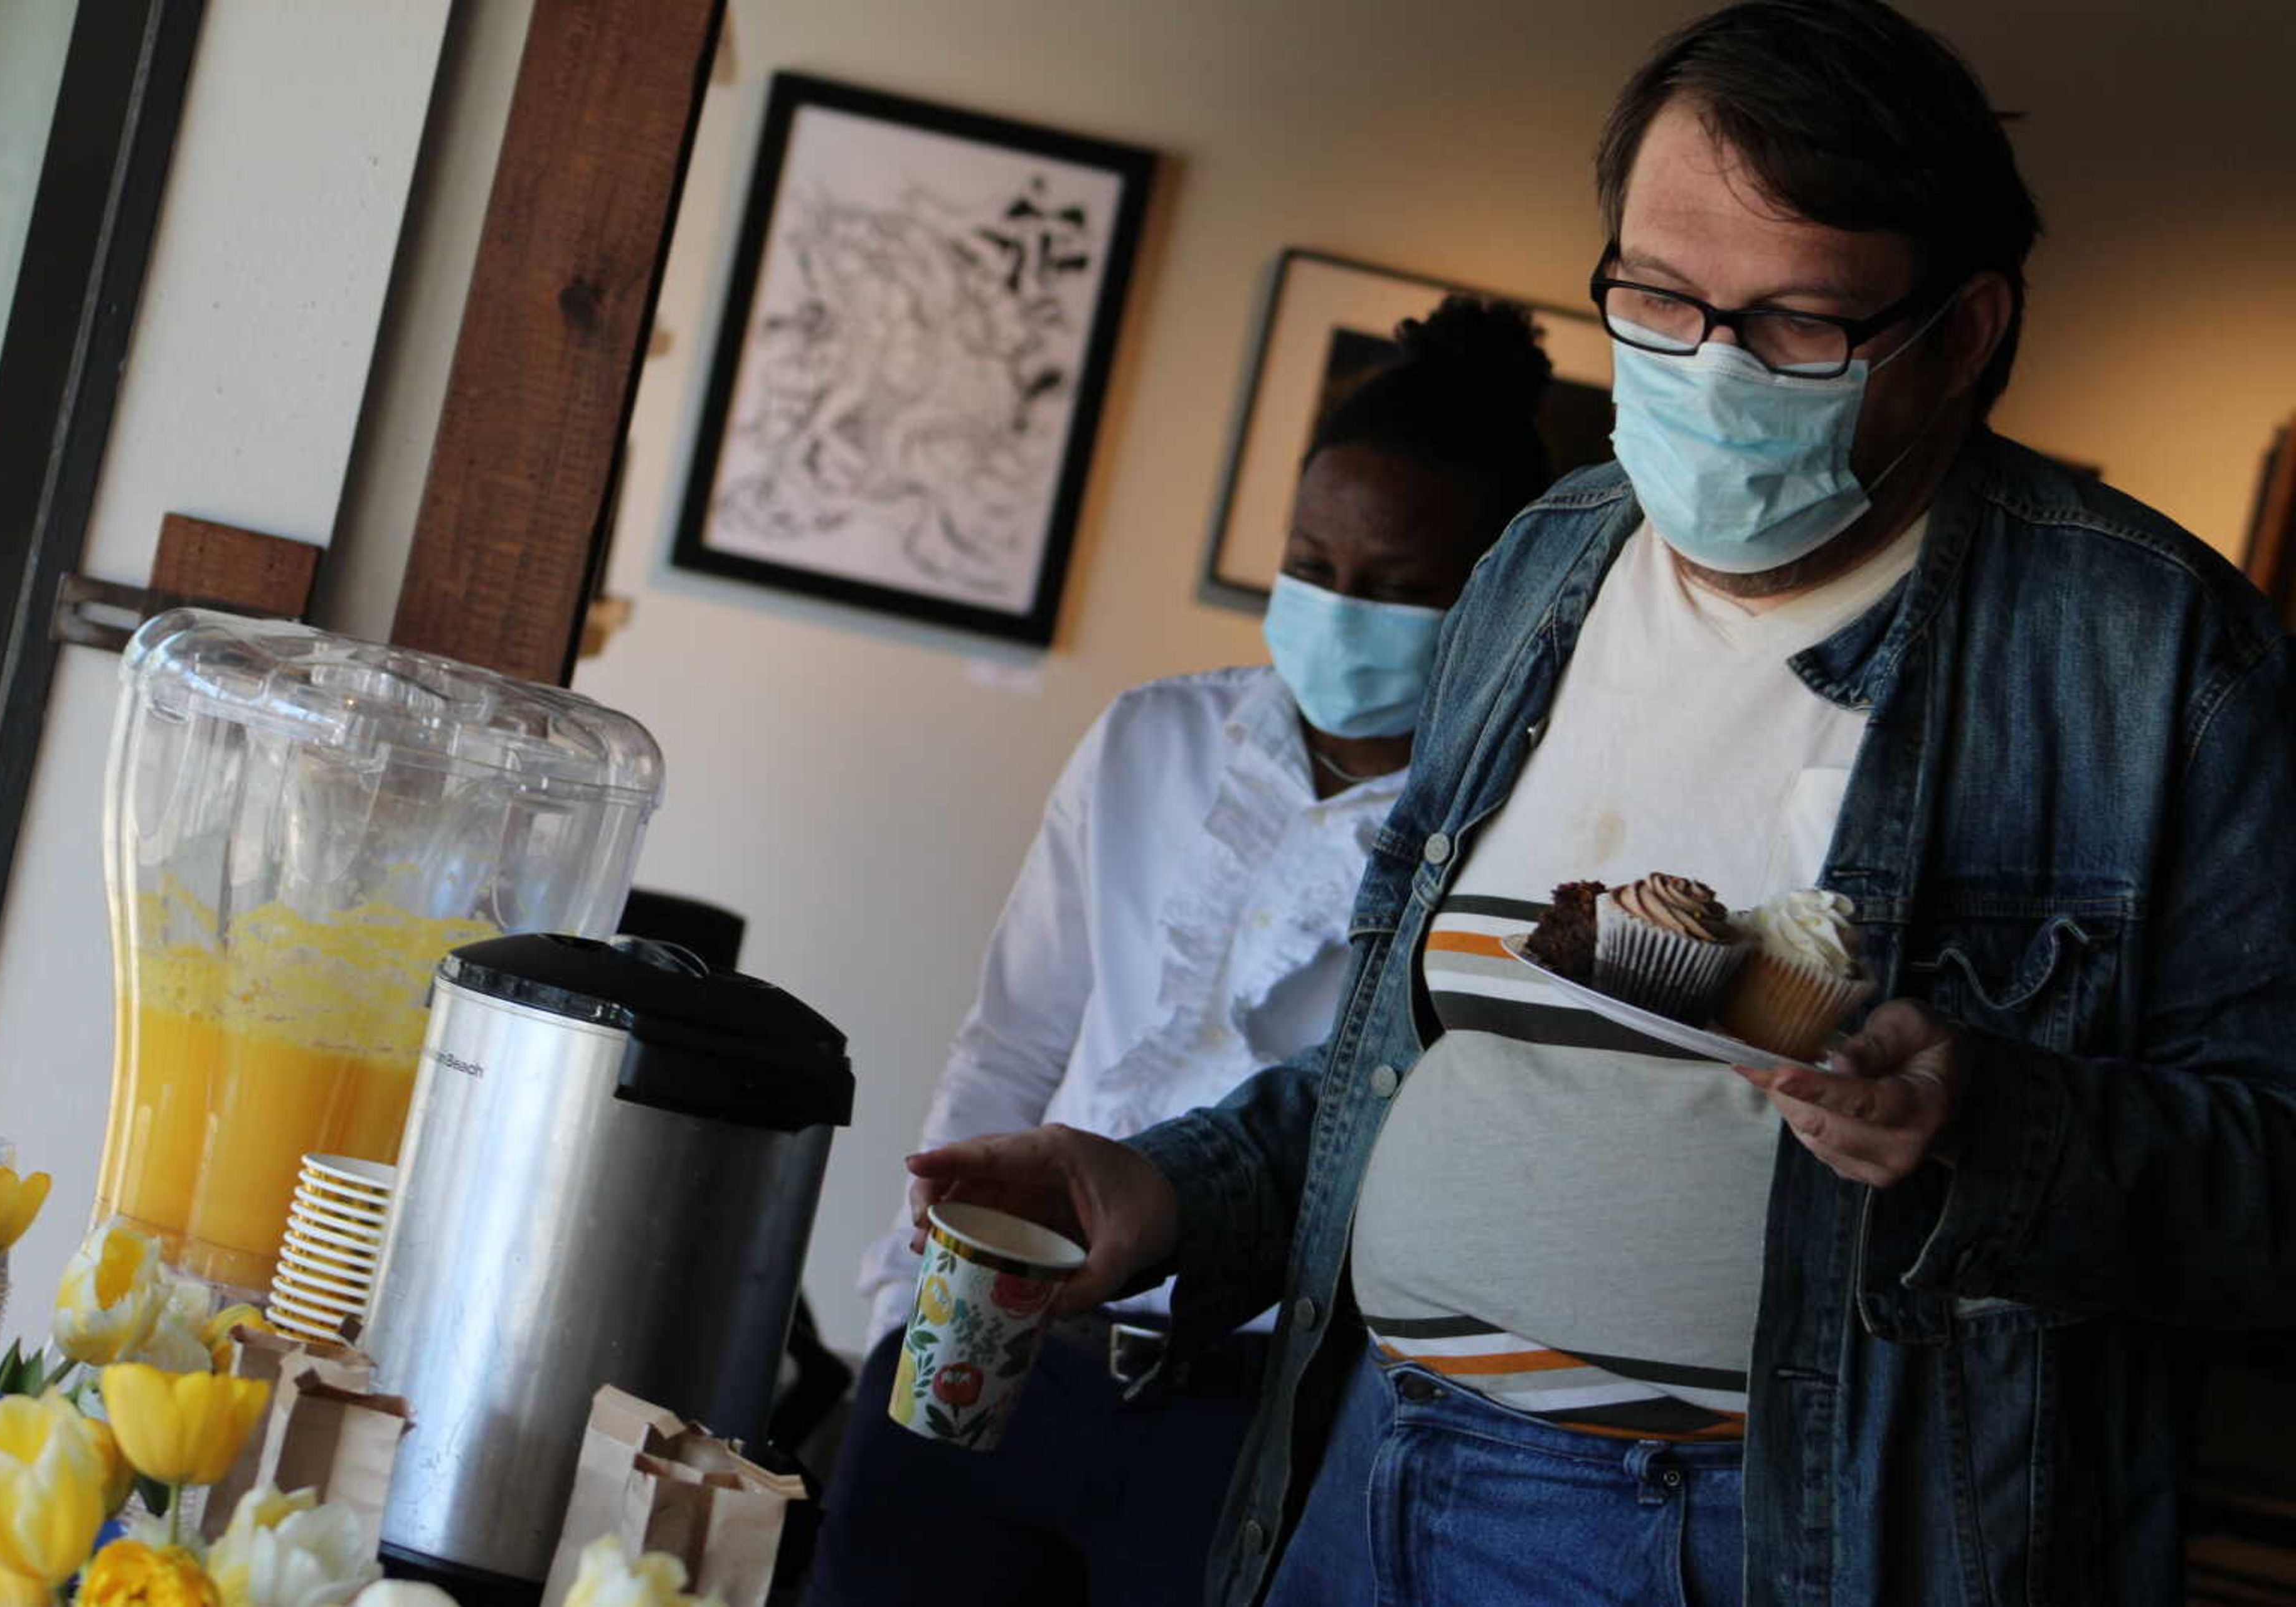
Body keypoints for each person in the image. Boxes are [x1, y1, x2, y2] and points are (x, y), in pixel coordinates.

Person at [906, 4, 2296, 1604]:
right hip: (1362, 1467)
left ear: (1967, 332)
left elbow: (2271, 1188)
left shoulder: (2151, 656)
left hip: (1754, 1537)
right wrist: (1166, 1187)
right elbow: (1424, 1057)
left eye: (1794, 327)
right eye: (1657, 295)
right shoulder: (1549, 560)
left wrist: (1991, 1124)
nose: (1708, 371)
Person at [804, 299, 1558, 1607]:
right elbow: (1020, 1035)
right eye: (1311, 565)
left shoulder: (1507, 842)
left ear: (1494, 597)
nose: (1338, 609)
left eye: (1394, 588)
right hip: (1001, 1343)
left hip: (1262, 1427)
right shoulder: (1155, 741)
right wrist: (900, 1309)